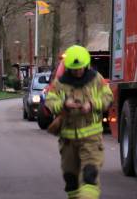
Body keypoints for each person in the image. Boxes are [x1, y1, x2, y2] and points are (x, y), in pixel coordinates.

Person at [45, 45, 113, 199]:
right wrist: (64, 104)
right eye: (74, 69)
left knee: (90, 175)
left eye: (80, 68)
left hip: (92, 140)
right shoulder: (60, 83)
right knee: (70, 180)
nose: (77, 72)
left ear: (86, 65)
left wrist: (92, 104)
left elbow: (108, 98)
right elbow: (49, 102)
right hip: (68, 141)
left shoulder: (96, 79)